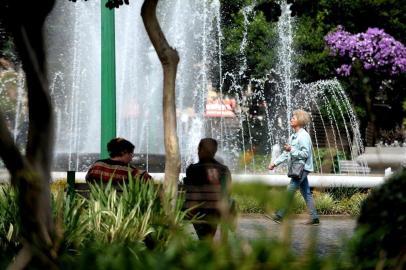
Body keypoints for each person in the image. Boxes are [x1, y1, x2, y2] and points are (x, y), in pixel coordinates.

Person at [268, 109, 320, 225]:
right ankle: (315, 218)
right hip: (298, 167)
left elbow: (305, 154)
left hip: (302, 168)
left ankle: (279, 216)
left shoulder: (303, 136)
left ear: (300, 120)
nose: (291, 119)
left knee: (290, 190)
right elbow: (286, 154)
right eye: (292, 117)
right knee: (306, 193)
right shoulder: (293, 136)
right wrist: (274, 163)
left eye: (294, 118)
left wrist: (292, 149)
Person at [184, 138, 232, 240]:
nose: (197, 151)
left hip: (199, 211)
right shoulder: (224, 169)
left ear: (201, 150)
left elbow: (191, 192)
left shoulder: (192, 169)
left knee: (204, 237)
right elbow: (227, 192)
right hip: (217, 211)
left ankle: (206, 244)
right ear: (214, 152)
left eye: (199, 149)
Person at [85, 137, 152, 184]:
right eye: (131, 154)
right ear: (124, 152)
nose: (131, 158)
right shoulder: (129, 171)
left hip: (99, 202)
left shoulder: (97, 166)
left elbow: (88, 179)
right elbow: (147, 179)